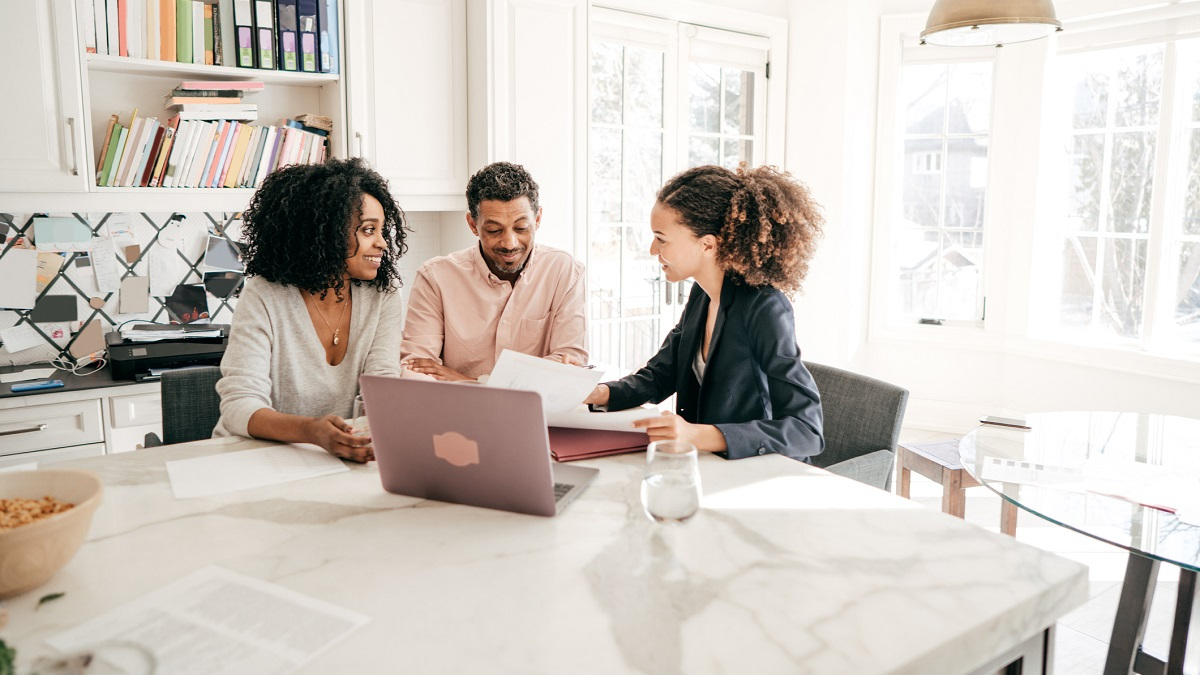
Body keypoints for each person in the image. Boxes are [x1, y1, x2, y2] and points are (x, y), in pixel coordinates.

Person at [583, 164, 825, 462]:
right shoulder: (702, 294)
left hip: (757, 471)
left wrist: (697, 435)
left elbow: (807, 430)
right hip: (708, 466)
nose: (651, 249)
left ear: (708, 244)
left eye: (661, 238)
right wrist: (596, 393)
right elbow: (660, 376)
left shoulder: (764, 308)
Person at [213, 157, 408, 462]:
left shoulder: (382, 296)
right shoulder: (265, 296)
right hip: (255, 458)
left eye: (383, 231)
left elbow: (382, 386)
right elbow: (239, 405)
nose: (383, 243)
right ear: (327, 232)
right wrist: (312, 432)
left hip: (337, 456)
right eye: (369, 230)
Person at [400, 161, 587, 380]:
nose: (510, 243)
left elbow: (570, 365)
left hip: (537, 413)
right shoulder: (435, 278)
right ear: (472, 224)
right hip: (457, 413)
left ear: (537, 219)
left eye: (521, 228)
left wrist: (469, 381)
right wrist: (533, 376)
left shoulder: (565, 272)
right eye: (494, 230)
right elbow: (416, 370)